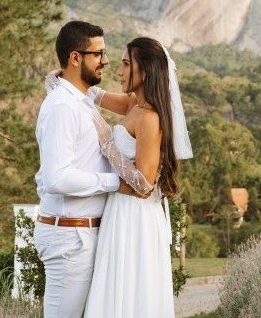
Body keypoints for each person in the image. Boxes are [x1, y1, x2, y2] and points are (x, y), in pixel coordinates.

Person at [33, 21, 144, 318]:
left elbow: (134, 103)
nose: (105, 61)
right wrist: (116, 182)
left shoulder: (82, 100)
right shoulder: (62, 107)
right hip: (70, 238)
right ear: (75, 58)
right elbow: (57, 178)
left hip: (82, 234)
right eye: (98, 54)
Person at [82, 37, 193, 318]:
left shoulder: (149, 118)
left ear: (145, 70)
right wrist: (63, 81)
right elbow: (95, 95)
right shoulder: (134, 105)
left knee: (132, 291)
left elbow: (144, 183)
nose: (119, 71)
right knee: (115, 290)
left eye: (125, 64)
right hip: (119, 209)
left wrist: (107, 142)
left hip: (135, 215)